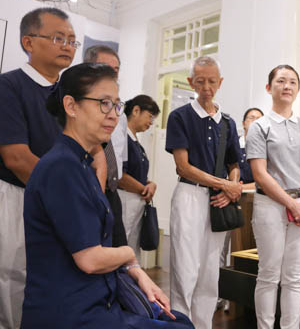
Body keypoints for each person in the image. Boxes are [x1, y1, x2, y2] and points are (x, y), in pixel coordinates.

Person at [22, 62, 193, 328]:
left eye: (116, 105)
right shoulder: (62, 167)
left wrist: (137, 271)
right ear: (71, 106)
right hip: (71, 313)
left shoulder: (81, 164)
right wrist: (128, 254)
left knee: (179, 319)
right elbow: (90, 259)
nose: (114, 115)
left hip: (99, 300)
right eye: (103, 103)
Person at [0, 7, 86, 328]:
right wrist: (67, 193)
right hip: (19, 196)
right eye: (57, 37)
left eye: (72, 40)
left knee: (53, 279)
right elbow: (17, 157)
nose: (67, 45)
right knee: (13, 277)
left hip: (59, 200)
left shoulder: (69, 97)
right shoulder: (9, 86)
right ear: (28, 42)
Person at [246, 65, 300, 329]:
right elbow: (260, 173)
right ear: (269, 88)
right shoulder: (260, 127)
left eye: (293, 82)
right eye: (281, 81)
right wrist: (291, 203)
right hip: (271, 206)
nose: (287, 86)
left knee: (294, 277)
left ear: (298, 90)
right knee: (269, 274)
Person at [166, 56, 242, 328]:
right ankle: (181, 324)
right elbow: (183, 167)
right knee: (185, 268)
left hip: (217, 200)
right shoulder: (180, 117)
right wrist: (224, 184)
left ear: (220, 82)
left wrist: (232, 187)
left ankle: (203, 324)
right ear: (191, 82)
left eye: (212, 81)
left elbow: (235, 163)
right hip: (189, 196)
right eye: (200, 81)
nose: (207, 87)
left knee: (210, 271)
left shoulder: (228, 123)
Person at [216, 106, 265, 313]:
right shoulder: (233, 144)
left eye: (258, 119)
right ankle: (220, 294)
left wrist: (236, 187)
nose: (254, 121)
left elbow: (263, 181)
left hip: (254, 204)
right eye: (250, 118)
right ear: (243, 122)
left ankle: (240, 298)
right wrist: (230, 187)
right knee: (221, 250)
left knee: (244, 253)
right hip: (228, 201)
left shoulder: (265, 149)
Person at [84, 45, 129, 247]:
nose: (112, 74)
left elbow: (118, 157)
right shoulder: (77, 107)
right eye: (104, 67)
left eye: (116, 69)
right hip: (86, 192)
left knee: (119, 252)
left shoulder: (121, 113)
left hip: (112, 193)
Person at [119, 95, 160, 261]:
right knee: (122, 245)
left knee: (132, 248)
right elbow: (119, 175)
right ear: (136, 110)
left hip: (137, 201)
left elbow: (138, 173)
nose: (151, 122)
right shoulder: (121, 137)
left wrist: (150, 184)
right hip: (124, 200)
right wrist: (144, 189)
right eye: (150, 116)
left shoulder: (136, 143)